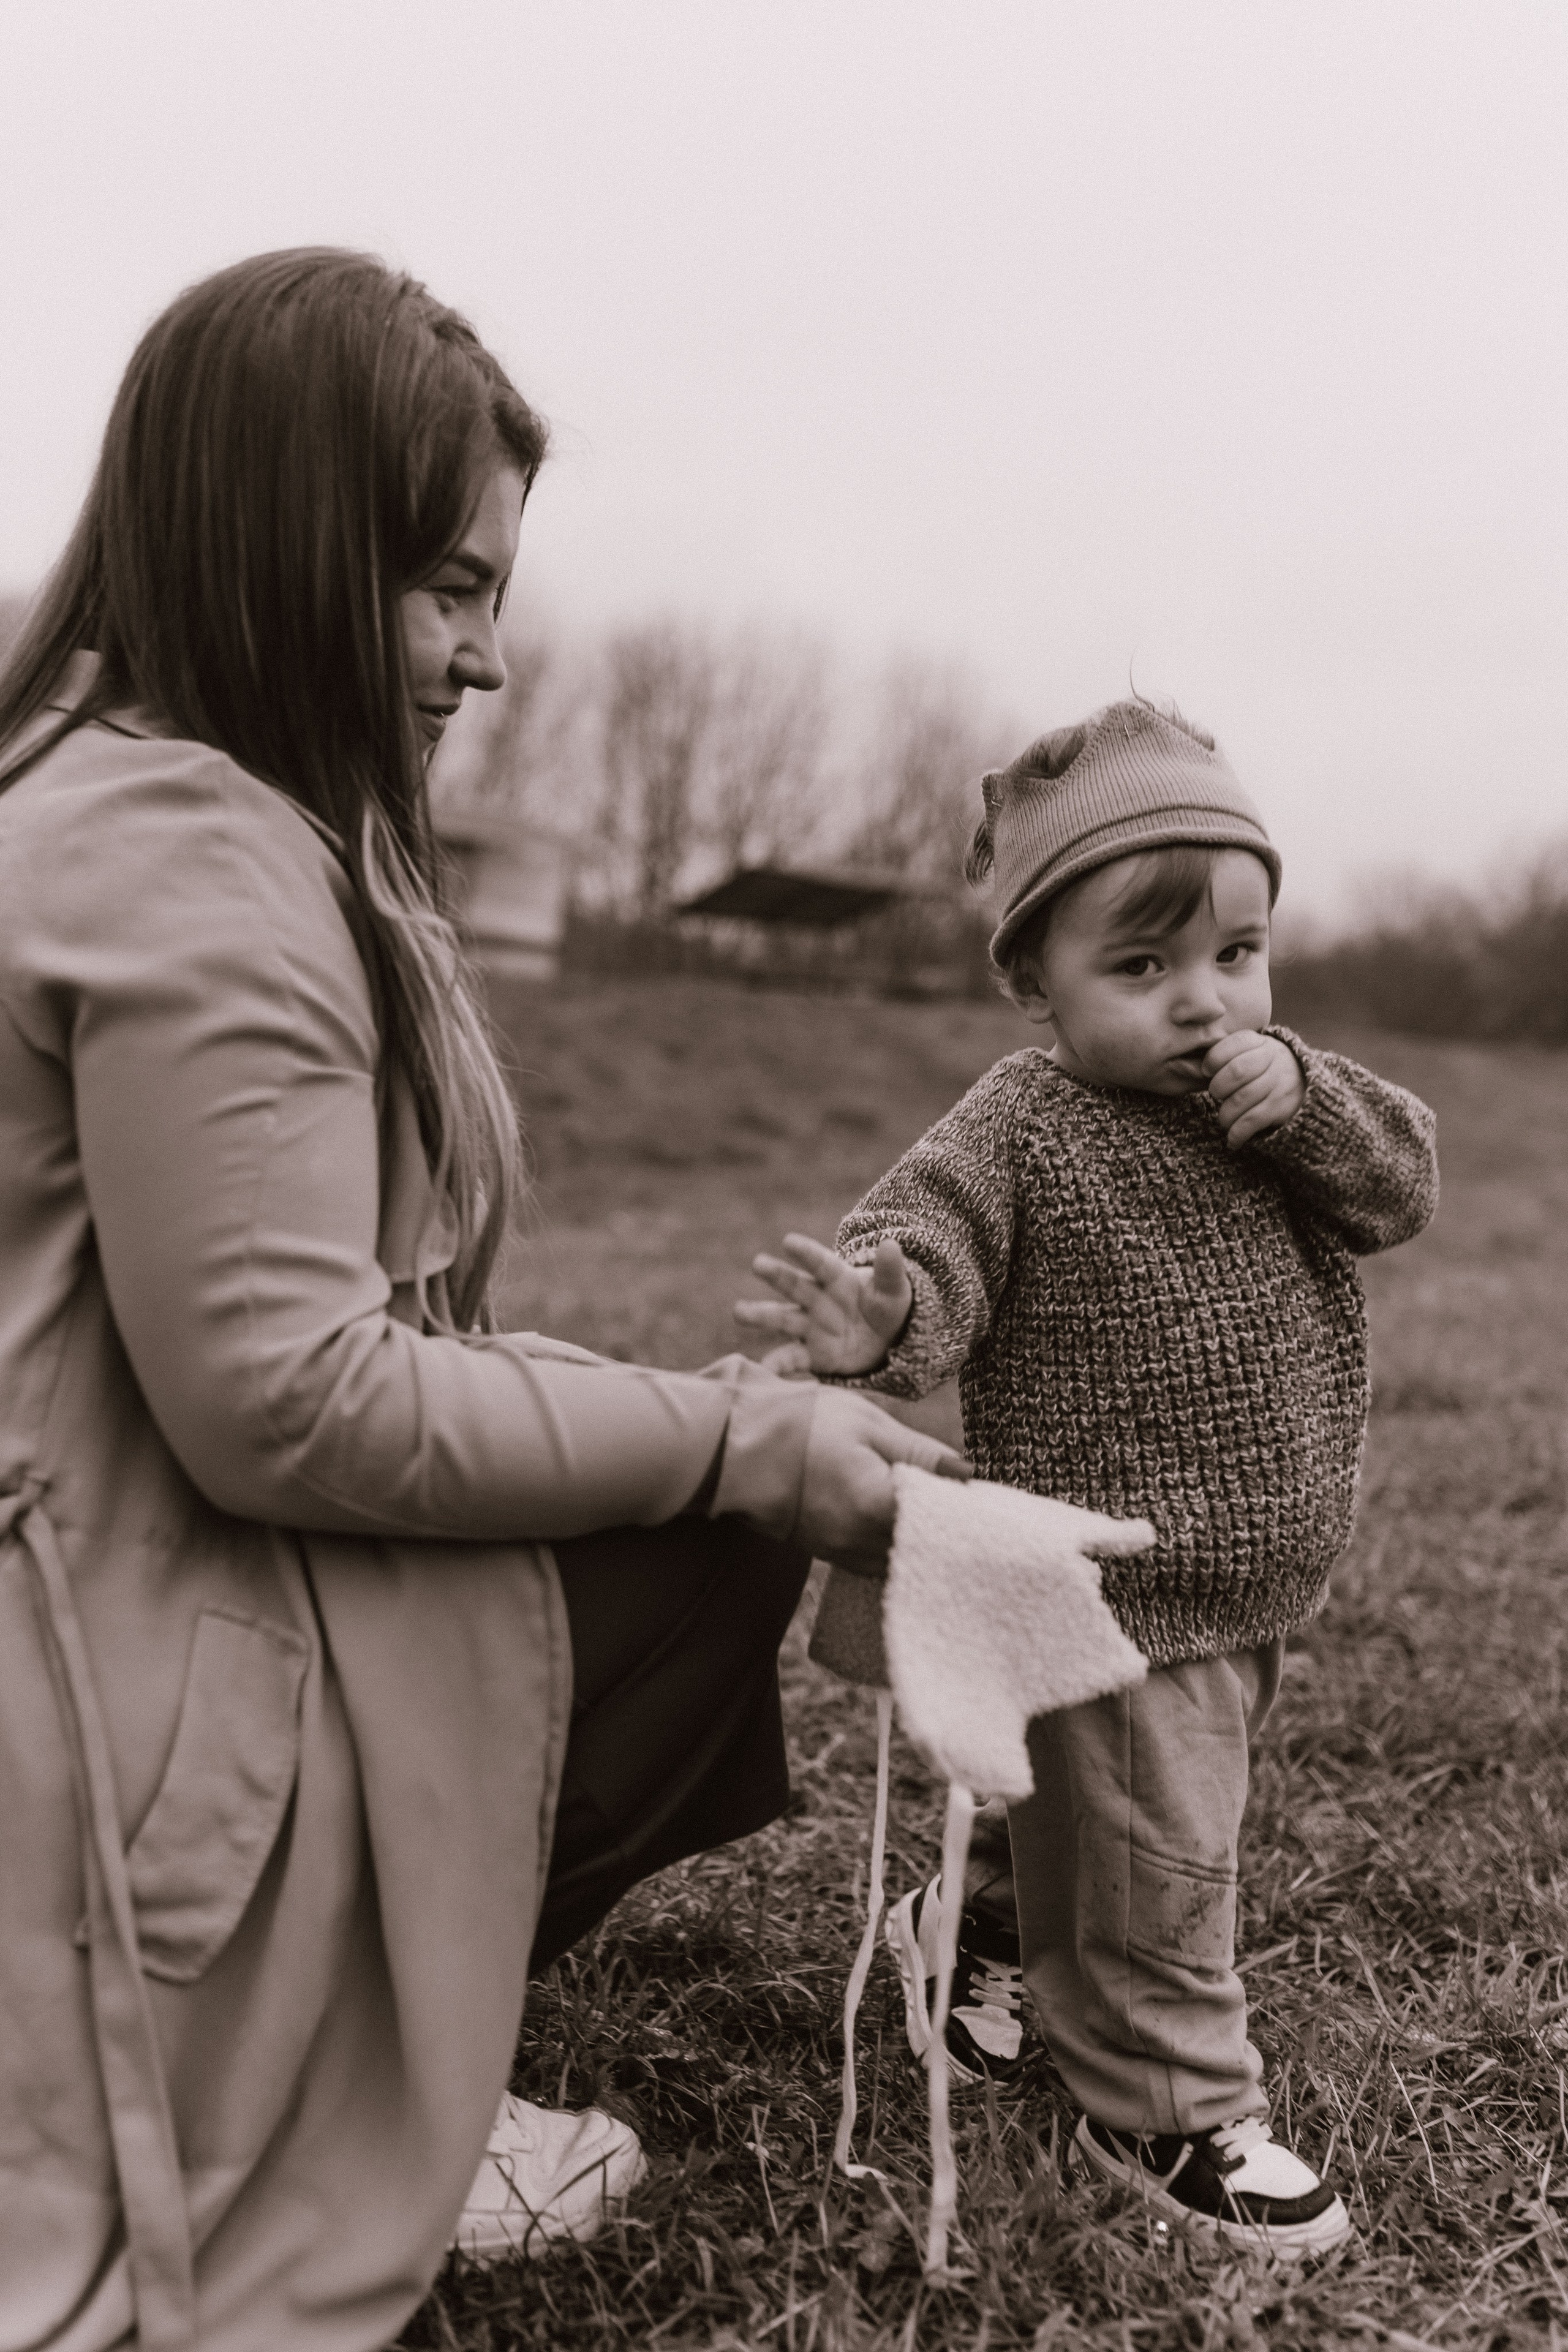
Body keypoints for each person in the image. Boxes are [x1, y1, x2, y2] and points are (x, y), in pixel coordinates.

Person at [0, 249, 974, 2352]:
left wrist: (703, 1398)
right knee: (713, 1527)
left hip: (82, 1592)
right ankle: (335, 2095)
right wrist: (739, 1433)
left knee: (693, 1463)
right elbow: (290, 1400)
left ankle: (368, 2027)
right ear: (277, 551)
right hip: (88, 1700)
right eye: (450, 588)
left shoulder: (99, 794)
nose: (487, 660)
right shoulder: (194, 857)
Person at [738, 699, 1439, 2258]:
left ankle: (974, 1938)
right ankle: (1165, 2106)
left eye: (1235, 955)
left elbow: (1402, 1184)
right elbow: (932, 1239)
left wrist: (1307, 1102)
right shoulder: (1021, 1125)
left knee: (1088, 1808)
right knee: (1159, 1851)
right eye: (1140, 967)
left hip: (1253, 1565)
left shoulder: (1280, 1102)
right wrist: (882, 1309)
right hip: (1110, 1574)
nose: (1202, 1004)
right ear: (1036, 978)